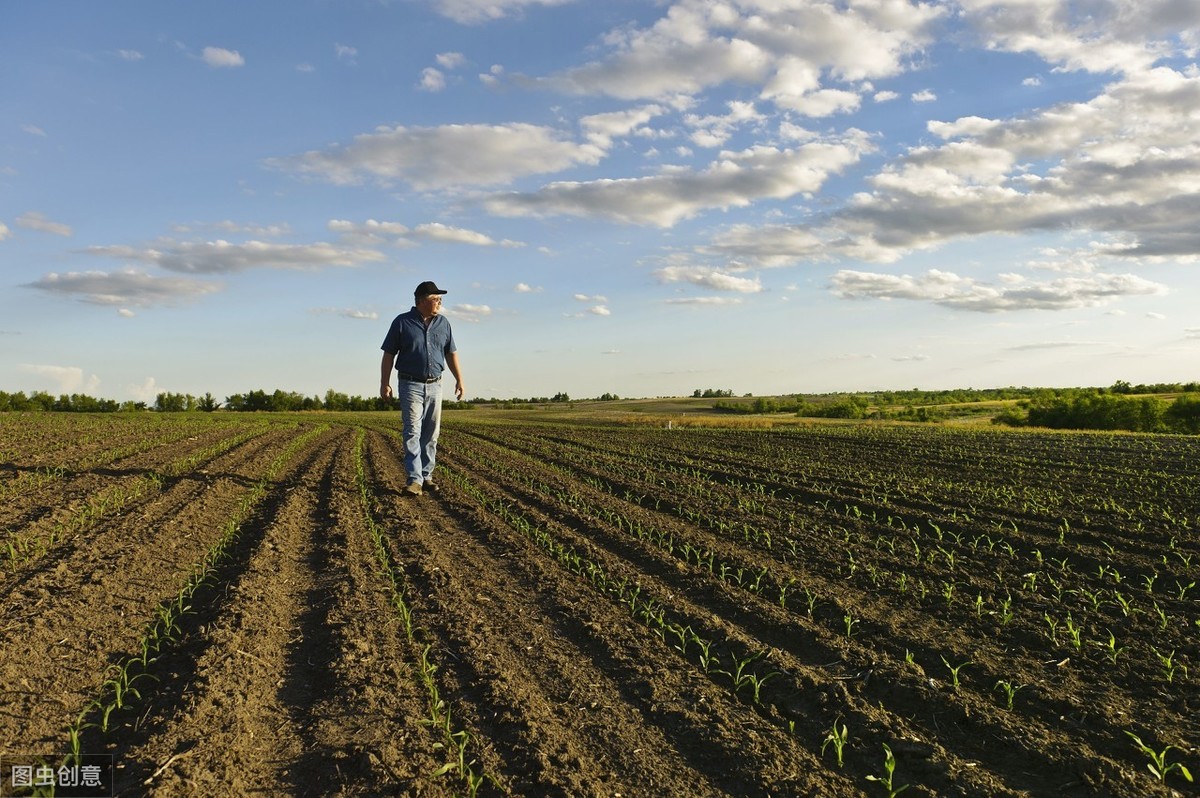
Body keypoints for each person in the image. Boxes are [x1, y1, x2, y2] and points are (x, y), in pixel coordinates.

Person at [379, 280, 465, 496]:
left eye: (440, 299)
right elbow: (389, 354)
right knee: (412, 432)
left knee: (431, 433)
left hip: (436, 384)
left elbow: (450, 353)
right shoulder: (402, 322)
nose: (439, 302)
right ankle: (414, 479)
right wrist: (384, 383)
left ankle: (427, 476)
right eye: (435, 299)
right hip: (410, 384)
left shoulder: (443, 323)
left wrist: (459, 380)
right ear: (421, 301)